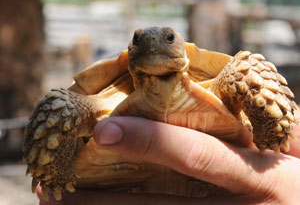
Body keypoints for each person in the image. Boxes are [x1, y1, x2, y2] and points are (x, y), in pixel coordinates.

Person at [38, 110, 300, 204]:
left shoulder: (234, 77)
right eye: (140, 39)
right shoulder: (86, 104)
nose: (154, 43)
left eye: (168, 38)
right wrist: (53, 172)